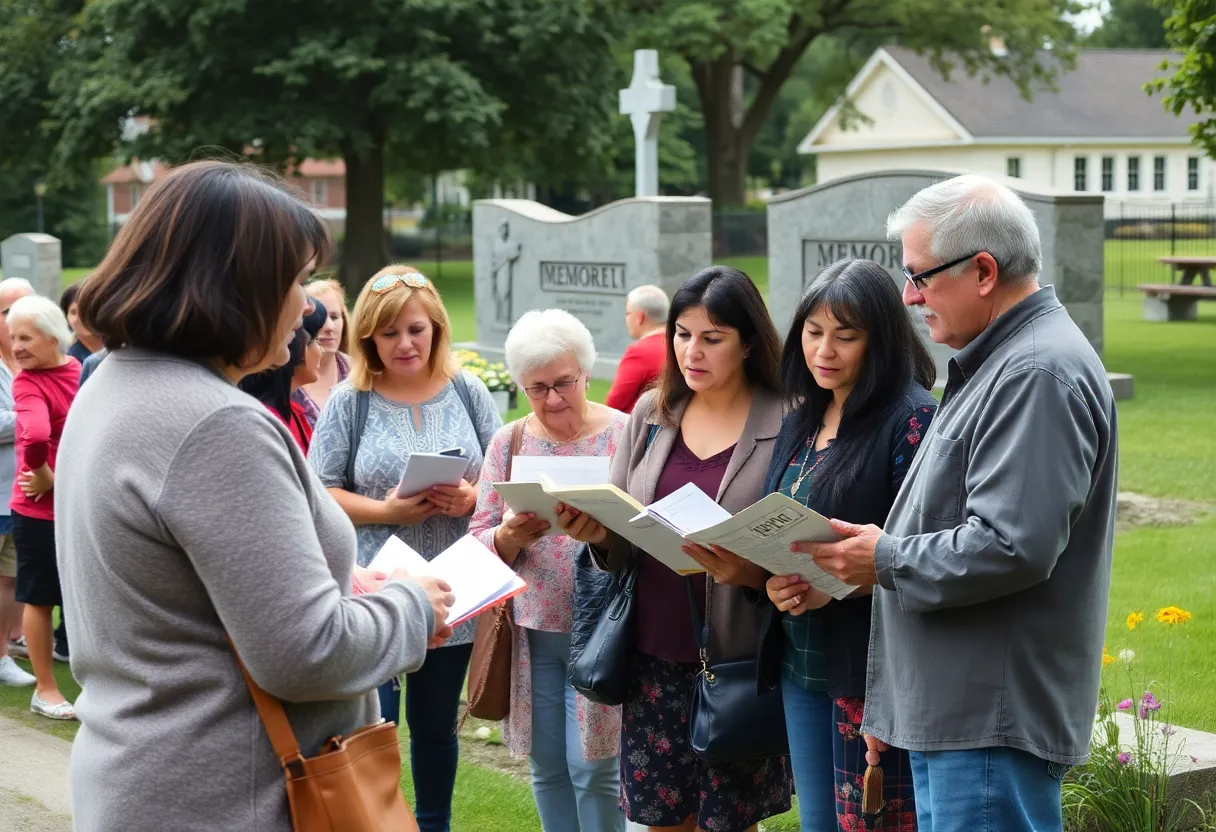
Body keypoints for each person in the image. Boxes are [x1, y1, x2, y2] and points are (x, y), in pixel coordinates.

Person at [56, 161, 454, 831]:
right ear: (234, 286)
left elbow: (184, 593)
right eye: (294, 281)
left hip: (144, 779)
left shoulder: (112, 384)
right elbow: (309, 656)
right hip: (231, 796)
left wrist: (339, 580)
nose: (308, 308)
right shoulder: (215, 425)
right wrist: (410, 605)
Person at [800, 174, 1119, 832]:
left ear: (982, 271)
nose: (910, 296)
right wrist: (896, 702)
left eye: (920, 276)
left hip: (989, 723)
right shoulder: (1003, 361)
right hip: (959, 711)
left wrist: (882, 557)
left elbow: (1010, 546)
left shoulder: (1036, 374)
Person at [562, 265, 793, 832]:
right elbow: (621, 528)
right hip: (652, 655)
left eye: (712, 338)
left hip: (738, 658)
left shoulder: (789, 419)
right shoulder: (651, 412)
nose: (693, 351)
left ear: (747, 344)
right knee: (661, 821)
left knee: (728, 824)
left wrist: (749, 569)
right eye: (683, 335)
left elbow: (795, 541)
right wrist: (597, 536)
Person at [309, 264, 502, 832]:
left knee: (436, 724)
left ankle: (434, 824)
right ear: (368, 336)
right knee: (377, 725)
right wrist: (387, 510)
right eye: (389, 333)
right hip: (376, 585)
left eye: (415, 329)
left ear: (436, 327)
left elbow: (499, 474)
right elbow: (320, 492)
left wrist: (470, 498)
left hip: (453, 583)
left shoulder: (467, 390)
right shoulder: (352, 400)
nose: (405, 344)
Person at [746, 259, 937, 831]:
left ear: (880, 340)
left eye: (845, 336)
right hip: (798, 658)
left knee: (874, 823)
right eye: (813, 332)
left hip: (871, 666)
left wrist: (838, 589)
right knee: (819, 823)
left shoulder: (913, 419)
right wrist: (772, 577)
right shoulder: (801, 417)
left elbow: (924, 554)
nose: (824, 350)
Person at [469, 308, 626, 832]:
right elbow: (478, 539)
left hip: (605, 628)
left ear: (585, 371)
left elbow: (650, 527)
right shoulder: (509, 442)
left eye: (565, 382)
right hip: (533, 630)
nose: (554, 399)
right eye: (538, 388)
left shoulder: (624, 434)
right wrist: (507, 537)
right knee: (547, 765)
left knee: (596, 767)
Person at [6, 295, 80, 718]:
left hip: (76, 503)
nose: (17, 346)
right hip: (38, 508)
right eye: (13, 337)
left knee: (74, 596)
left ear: (53, 338)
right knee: (39, 598)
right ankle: (45, 690)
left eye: (26, 338)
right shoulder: (26, 381)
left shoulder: (75, 371)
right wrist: (45, 474)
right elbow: (32, 435)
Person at [0, 278, 35, 685]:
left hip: (21, 492)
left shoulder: (32, 362)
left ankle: (3, 656)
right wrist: (34, 416)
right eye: (9, 311)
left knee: (9, 578)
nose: (18, 320)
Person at [240, 296, 329, 452]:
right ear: (296, 343)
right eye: (316, 341)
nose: (320, 351)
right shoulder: (263, 422)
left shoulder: (295, 413)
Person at [294, 277, 351, 425]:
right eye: (319, 317)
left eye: (335, 317)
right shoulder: (285, 378)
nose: (329, 327)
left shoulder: (362, 373)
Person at [605, 284, 668, 413]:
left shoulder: (639, 352)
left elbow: (614, 403)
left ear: (640, 317)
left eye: (627, 313)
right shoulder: (679, 344)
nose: (625, 319)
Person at [58, 283, 103, 363]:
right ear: (66, 317)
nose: (81, 318)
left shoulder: (123, 347)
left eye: (87, 310)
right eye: (73, 312)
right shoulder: (66, 358)